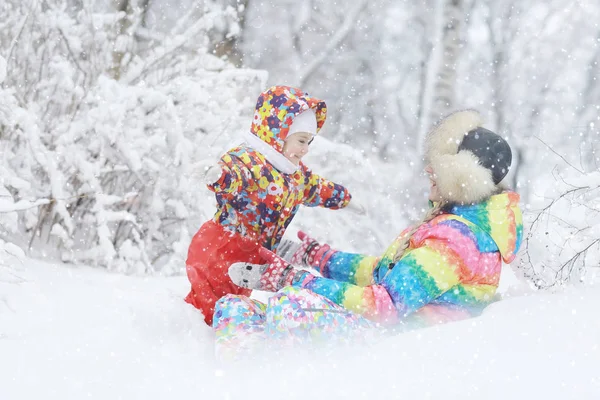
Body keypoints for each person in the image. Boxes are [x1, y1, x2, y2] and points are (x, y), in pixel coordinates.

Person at [220, 109, 523, 340]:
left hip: (405, 348)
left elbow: (385, 305)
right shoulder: (453, 224)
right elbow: (382, 275)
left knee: (290, 307)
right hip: (386, 334)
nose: (430, 170)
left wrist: (292, 280)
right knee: (232, 309)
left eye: (441, 169)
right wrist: (317, 258)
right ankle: (240, 384)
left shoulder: (457, 240)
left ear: (460, 180)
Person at [185, 85, 364, 326]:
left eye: (309, 142)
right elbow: (235, 174)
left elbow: (317, 188)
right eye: (301, 140)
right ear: (278, 132)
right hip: (222, 247)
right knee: (208, 311)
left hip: (249, 255)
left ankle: (210, 344)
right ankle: (186, 344)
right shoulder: (251, 161)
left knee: (228, 308)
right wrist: (217, 176)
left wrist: (345, 199)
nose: (305, 149)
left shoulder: (295, 175)